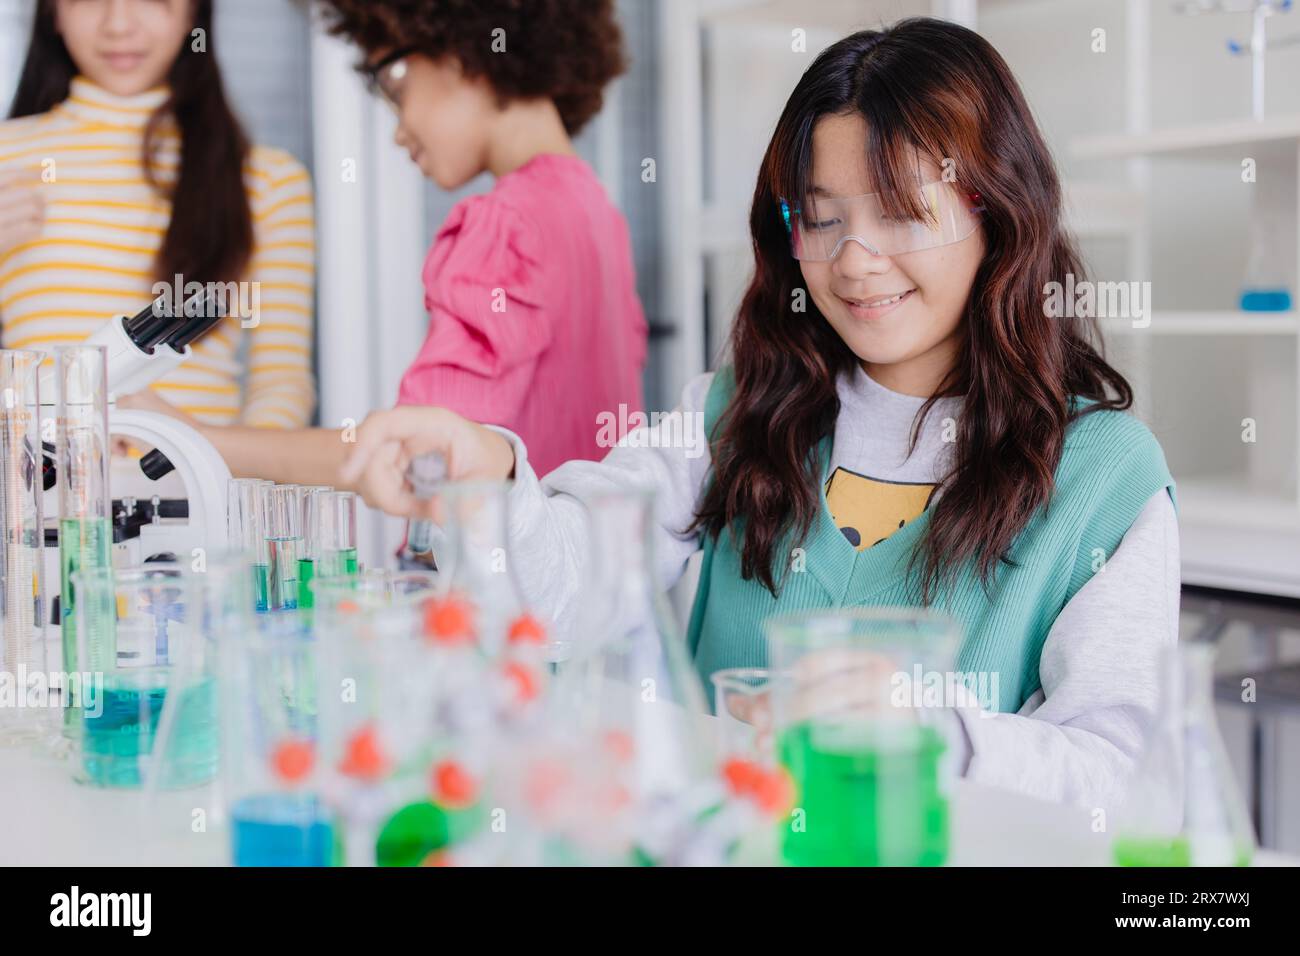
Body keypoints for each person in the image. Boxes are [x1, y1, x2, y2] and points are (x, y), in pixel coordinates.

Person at [342, 19, 1180, 810]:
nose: (854, 259)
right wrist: (491, 474)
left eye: (900, 210)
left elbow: (1122, 780)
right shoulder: (744, 408)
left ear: (995, 212)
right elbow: (561, 598)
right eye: (821, 218)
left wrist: (935, 736)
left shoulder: (1104, 476)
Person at [169, 0, 646, 482]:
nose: (398, 132)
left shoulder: (503, 224)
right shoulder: (596, 212)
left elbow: (411, 458)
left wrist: (187, 437)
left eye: (395, 87)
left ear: (465, 54)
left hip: (498, 552)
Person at [0, 0, 316, 427]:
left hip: (198, 487)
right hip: (46, 486)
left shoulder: (267, 179)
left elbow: (280, 384)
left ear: (194, 14)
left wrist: (221, 470)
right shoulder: (6, 157)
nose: (118, 25)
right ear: (52, 12)